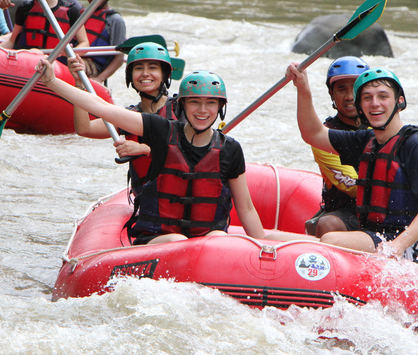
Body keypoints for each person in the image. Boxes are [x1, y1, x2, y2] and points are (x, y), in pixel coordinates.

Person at [36, 60, 306, 246]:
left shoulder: (230, 149)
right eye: (195, 103)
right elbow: (102, 108)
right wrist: (52, 82)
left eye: (211, 103)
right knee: (179, 241)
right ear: (182, 105)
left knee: (218, 240)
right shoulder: (160, 130)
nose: (203, 110)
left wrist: (259, 249)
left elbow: (245, 208)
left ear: (220, 108)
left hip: (209, 242)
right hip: (161, 239)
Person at [286, 64, 418, 263]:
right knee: (271, 237)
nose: (375, 103)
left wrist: (398, 245)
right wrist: (302, 87)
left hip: (411, 247)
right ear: (360, 107)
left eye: (383, 96)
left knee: (330, 238)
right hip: (375, 237)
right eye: (367, 98)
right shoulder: (367, 140)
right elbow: (313, 134)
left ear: (399, 101)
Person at [68, 42, 180, 195]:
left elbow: (190, 151)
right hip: (147, 202)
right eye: (139, 68)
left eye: (153, 68)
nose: (145, 73)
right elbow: (84, 129)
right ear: (130, 76)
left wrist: (144, 149)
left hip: (179, 197)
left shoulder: (181, 108)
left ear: (164, 74)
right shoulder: (129, 116)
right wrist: (79, 83)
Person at [304, 56, 370, 238]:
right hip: (347, 213)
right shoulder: (325, 136)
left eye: (355, 88)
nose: (349, 96)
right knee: (328, 224)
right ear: (332, 94)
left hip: (386, 210)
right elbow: (351, 185)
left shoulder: (383, 127)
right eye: (341, 89)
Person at [79, 0, 126, 84]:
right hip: (73, 59)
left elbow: (119, 58)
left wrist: (100, 79)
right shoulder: (79, 15)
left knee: (75, 63)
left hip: (94, 68)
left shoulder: (115, 20)